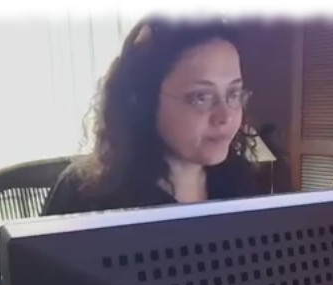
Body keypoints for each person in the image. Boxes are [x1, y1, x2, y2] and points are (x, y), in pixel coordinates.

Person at [42, 17, 260, 216]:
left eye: (233, 94)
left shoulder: (239, 183)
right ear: (144, 99)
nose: (225, 116)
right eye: (201, 97)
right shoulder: (86, 195)